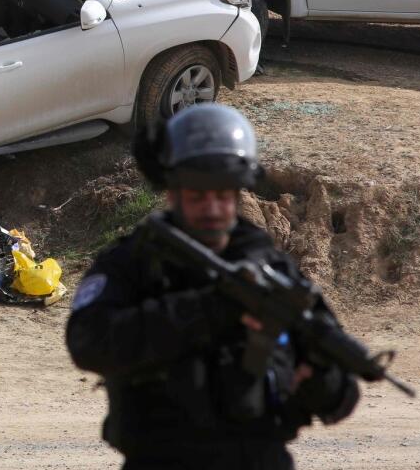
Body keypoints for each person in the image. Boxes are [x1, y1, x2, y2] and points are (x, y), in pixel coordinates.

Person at [66, 104, 360, 470]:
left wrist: (322, 383)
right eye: (198, 196)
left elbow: (340, 392)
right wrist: (213, 307)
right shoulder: (134, 262)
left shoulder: (268, 265)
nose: (212, 208)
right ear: (172, 194)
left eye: (223, 196)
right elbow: (88, 342)